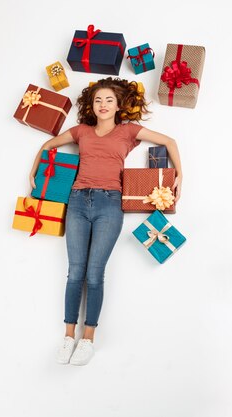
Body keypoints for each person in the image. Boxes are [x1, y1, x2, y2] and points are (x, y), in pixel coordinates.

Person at [28, 77, 183, 366]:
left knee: (94, 274)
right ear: (91, 104)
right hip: (77, 202)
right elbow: (49, 144)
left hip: (109, 204)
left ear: (118, 105)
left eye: (109, 100)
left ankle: (88, 339)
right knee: (75, 273)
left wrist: (180, 176)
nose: (103, 105)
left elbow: (169, 142)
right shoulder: (81, 131)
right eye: (98, 100)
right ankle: (67, 336)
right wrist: (34, 171)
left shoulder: (129, 132)